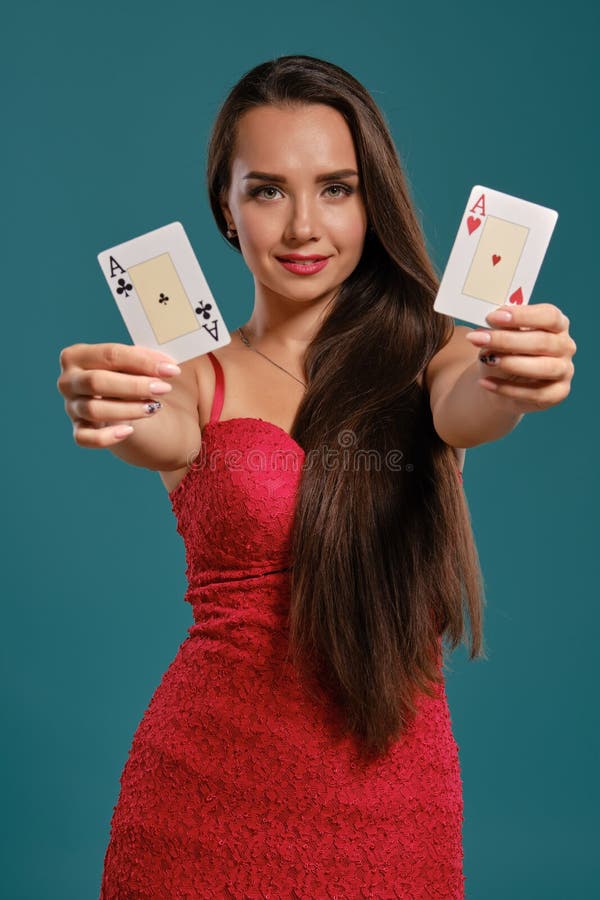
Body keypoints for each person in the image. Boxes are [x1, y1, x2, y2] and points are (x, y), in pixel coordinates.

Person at [56, 55, 576, 899]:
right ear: (224, 207)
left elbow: (471, 404)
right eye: (266, 190)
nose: (304, 226)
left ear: (374, 199)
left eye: (336, 188)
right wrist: (111, 403)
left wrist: (518, 375)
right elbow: (157, 427)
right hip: (196, 801)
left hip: (393, 805)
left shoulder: (433, 356)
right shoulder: (190, 371)